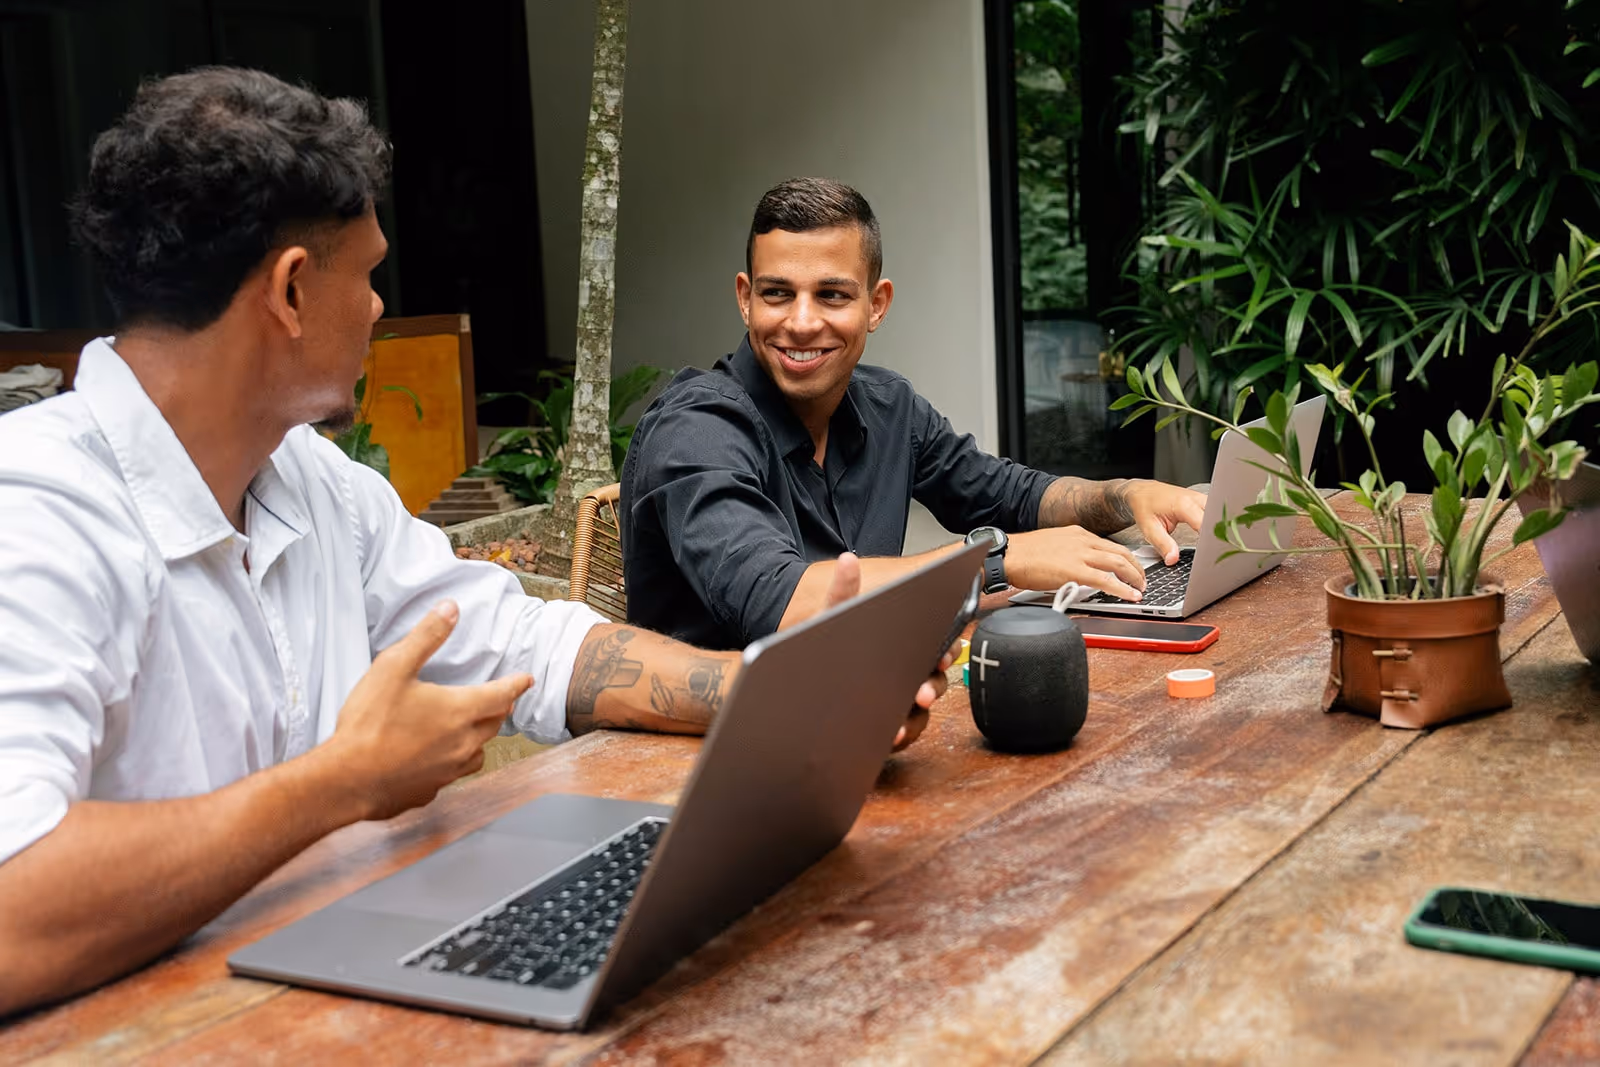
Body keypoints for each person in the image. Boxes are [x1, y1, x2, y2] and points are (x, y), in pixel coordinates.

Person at [0, 70, 945, 1017]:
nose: (378, 307)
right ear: (291, 289)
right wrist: (338, 784)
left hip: (327, 986)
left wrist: (791, 699)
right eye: (368, 273)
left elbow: (529, 645)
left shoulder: (315, 484)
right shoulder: (35, 512)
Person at [621, 177, 1209, 651]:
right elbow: (783, 602)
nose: (801, 322)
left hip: (861, 706)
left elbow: (1013, 494)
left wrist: (1125, 495)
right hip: (699, 755)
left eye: (832, 294)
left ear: (876, 305)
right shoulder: (695, 431)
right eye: (778, 293)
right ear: (745, 298)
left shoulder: (887, 406)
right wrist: (995, 561)